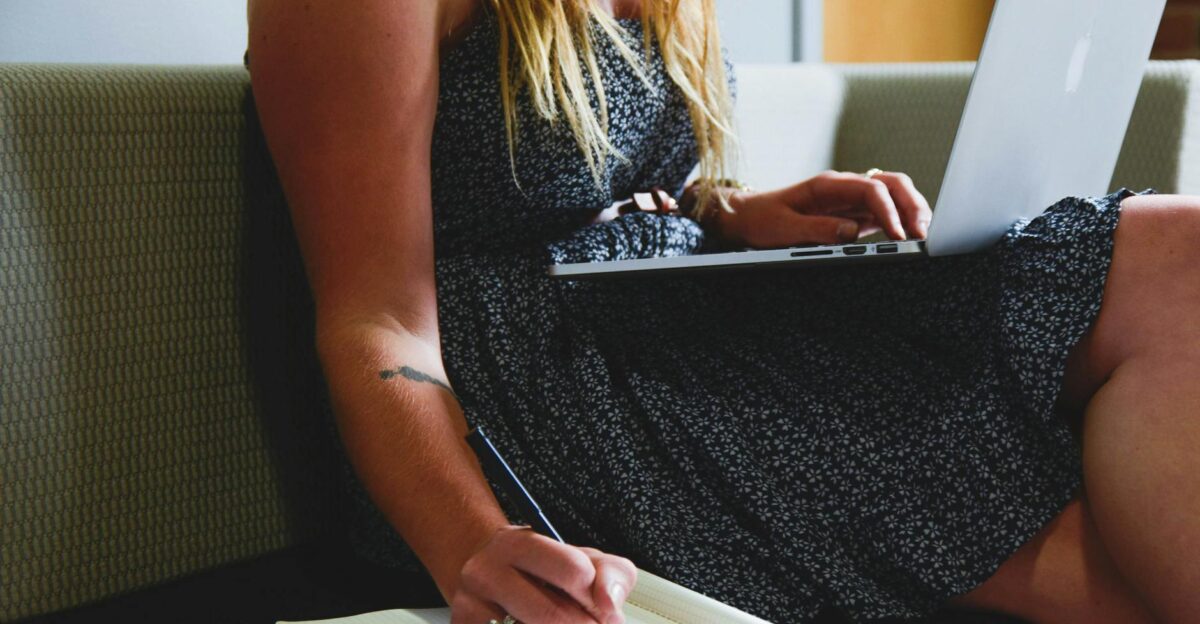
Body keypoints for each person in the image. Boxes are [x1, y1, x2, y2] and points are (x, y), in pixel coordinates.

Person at [245, 1, 1200, 622]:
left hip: (662, 313)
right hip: (531, 391)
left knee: (1177, 254)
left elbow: (588, 182)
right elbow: (376, 318)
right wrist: (472, 544)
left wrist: (730, 213)